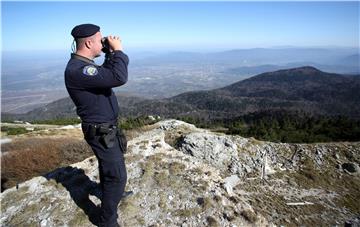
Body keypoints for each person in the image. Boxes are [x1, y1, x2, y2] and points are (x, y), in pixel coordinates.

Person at [64, 23, 130, 227]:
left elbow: (106, 77)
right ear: (89, 42)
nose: (103, 43)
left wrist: (109, 54)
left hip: (105, 129)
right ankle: (107, 221)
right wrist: (118, 50)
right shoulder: (78, 70)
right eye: (100, 40)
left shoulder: (84, 65)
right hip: (100, 131)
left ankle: (107, 191)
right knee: (117, 177)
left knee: (108, 168)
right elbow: (118, 77)